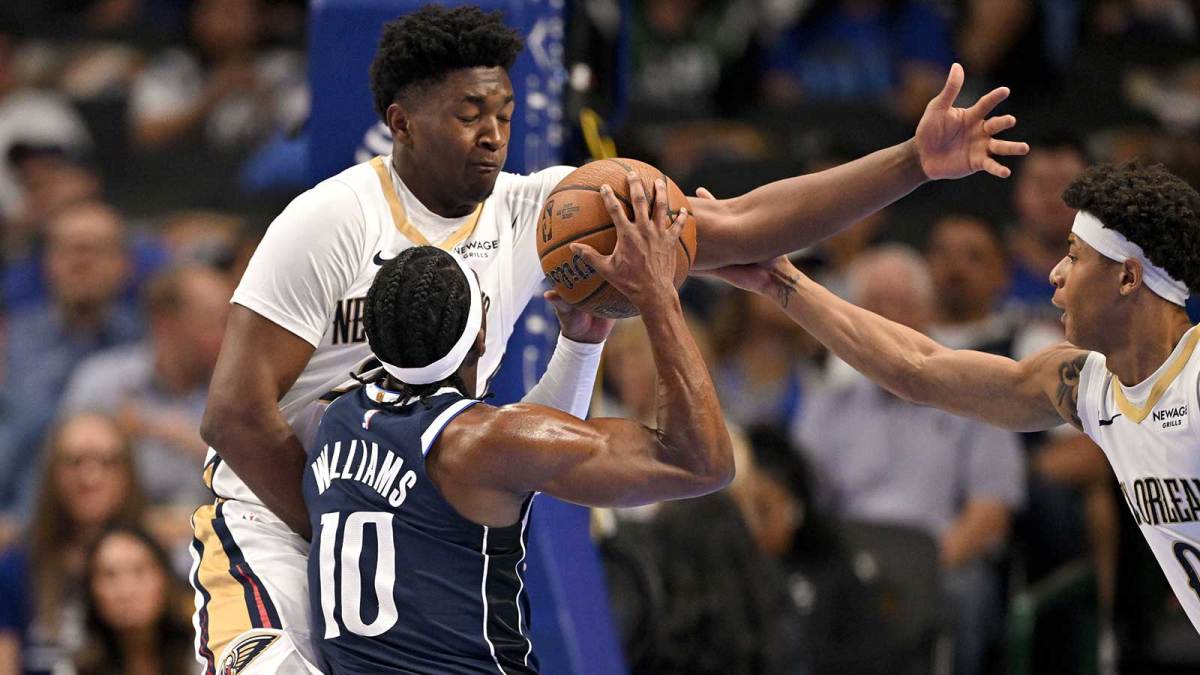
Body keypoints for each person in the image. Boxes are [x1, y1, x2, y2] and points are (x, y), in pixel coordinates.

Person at [194, 3, 1028, 670]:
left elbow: (738, 220)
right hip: (280, 518)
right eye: (467, 113)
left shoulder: (540, 211)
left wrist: (912, 163)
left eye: (505, 111)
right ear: (401, 121)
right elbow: (234, 413)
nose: (493, 132)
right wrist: (338, 519)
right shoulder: (329, 220)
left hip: (418, 516)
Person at [703, 161, 1200, 635]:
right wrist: (781, 282)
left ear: (1128, 278)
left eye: (1073, 254)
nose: (1055, 273)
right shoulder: (1088, 387)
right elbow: (918, 369)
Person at [303, 178, 732, 673]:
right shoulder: (476, 443)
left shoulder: (335, 419)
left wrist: (581, 346)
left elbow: (522, 455)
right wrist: (657, 295)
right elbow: (701, 465)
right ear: (481, 334)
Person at [0, 412, 145, 675]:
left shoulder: (155, 563)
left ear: (128, 474)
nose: (90, 476)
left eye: (106, 461)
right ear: (52, 473)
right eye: (74, 462)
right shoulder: (15, 567)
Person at [75, 525, 194, 675]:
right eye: (109, 575)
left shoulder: (209, 657)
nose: (126, 591)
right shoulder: (74, 669)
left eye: (139, 571)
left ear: (165, 579)